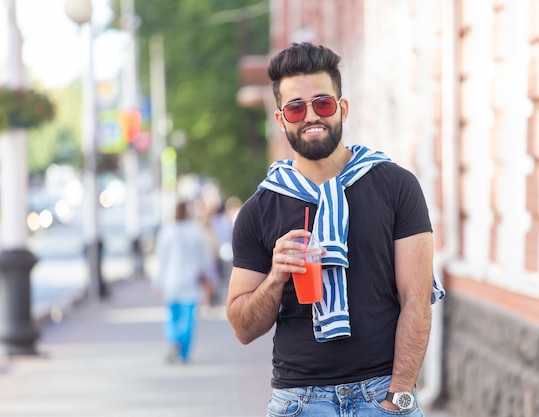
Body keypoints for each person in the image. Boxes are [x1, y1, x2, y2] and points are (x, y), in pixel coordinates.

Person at [226, 42, 445, 416]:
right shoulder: (259, 210)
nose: (311, 116)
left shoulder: (396, 186)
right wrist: (277, 276)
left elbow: (416, 300)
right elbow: (243, 327)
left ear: (342, 109)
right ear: (281, 120)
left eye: (323, 104)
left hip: (382, 395)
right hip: (299, 402)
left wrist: (400, 397)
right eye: (296, 107)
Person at [153, 200, 219, 364]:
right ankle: (184, 352)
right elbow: (203, 258)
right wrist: (211, 277)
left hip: (170, 280)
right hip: (190, 280)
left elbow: (161, 259)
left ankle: (173, 339)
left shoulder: (167, 231)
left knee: (172, 316)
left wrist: (157, 282)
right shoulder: (195, 231)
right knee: (188, 318)